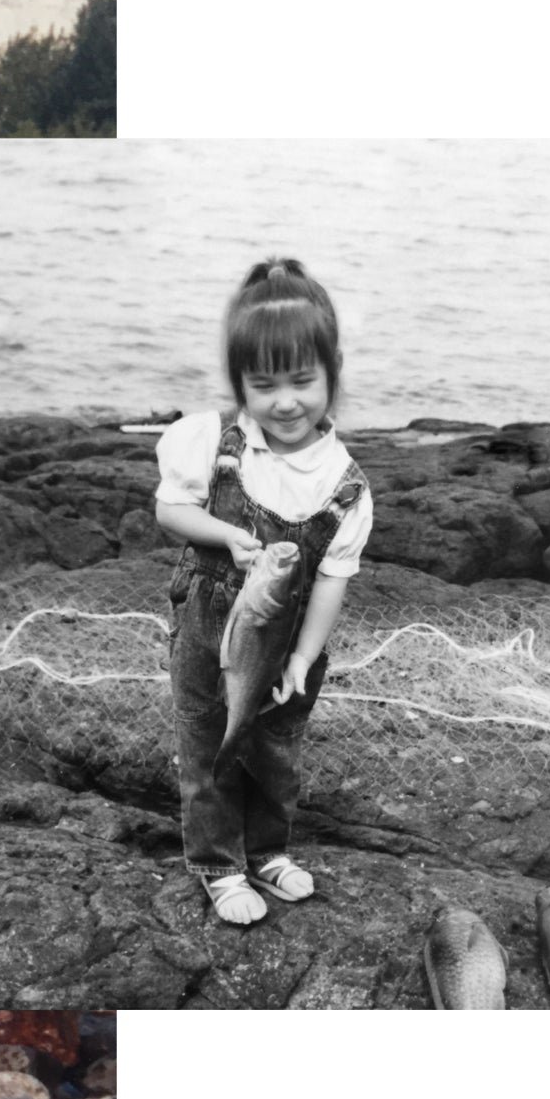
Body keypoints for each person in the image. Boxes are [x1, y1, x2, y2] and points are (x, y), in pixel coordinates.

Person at [154, 257, 373, 926]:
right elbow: (170, 511)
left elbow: (333, 579)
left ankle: (270, 852)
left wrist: (304, 659)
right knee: (208, 751)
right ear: (240, 383)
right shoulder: (213, 444)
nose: (284, 401)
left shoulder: (346, 484)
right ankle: (219, 865)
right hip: (210, 635)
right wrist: (222, 533)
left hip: (285, 650)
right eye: (263, 383)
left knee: (277, 756)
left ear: (332, 376)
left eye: (303, 381)